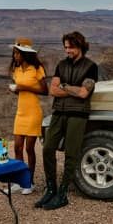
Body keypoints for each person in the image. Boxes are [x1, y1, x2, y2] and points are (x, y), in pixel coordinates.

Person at [38, 31, 100, 211]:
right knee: (48, 148)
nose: (67, 51)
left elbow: (84, 93)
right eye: (65, 47)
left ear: (80, 46)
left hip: (78, 114)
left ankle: (63, 193)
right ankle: (51, 189)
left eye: (70, 47)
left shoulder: (91, 67)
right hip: (59, 112)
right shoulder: (61, 65)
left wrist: (64, 86)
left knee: (71, 153)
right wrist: (70, 89)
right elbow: (52, 91)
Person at [7, 38, 48, 194]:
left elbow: (45, 91)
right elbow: (19, 90)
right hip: (21, 112)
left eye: (17, 53)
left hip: (33, 113)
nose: (15, 56)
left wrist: (25, 87)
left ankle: (29, 183)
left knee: (29, 149)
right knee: (17, 147)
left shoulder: (36, 68)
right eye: (14, 53)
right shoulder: (16, 70)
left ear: (24, 54)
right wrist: (17, 89)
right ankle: (19, 180)